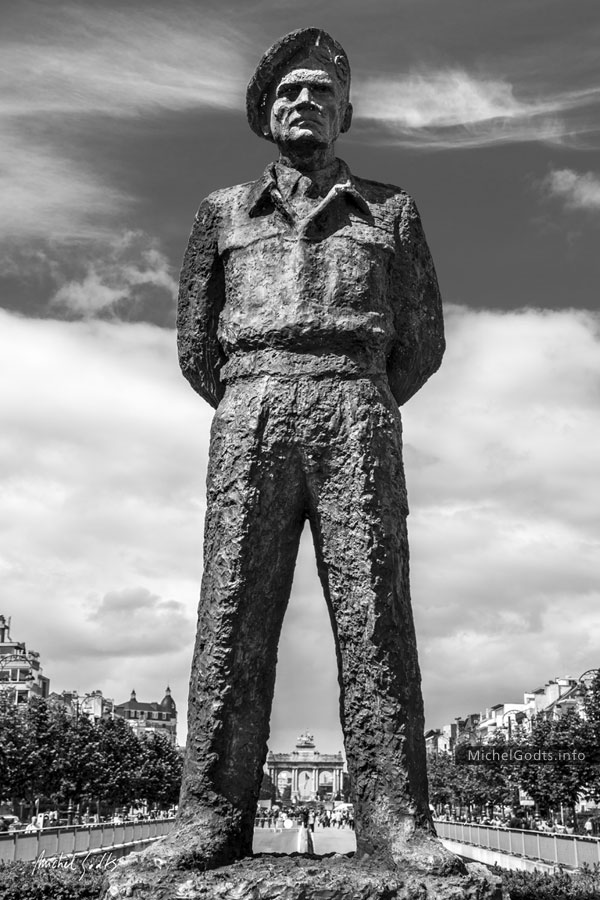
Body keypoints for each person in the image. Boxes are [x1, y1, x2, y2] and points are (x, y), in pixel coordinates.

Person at [171, 27, 457, 876]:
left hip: (356, 405)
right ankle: (208, 819)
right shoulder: (223, 213)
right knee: (231, 615)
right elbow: (196, 346)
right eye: (290, 92)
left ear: (344, 112)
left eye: (322, 91)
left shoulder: (392, 210)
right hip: (251, 404)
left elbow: (424, 339)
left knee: (375, 615)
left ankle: (396, 820)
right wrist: (256, 394)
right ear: (267, 113)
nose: (306, 102)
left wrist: (357, 393)